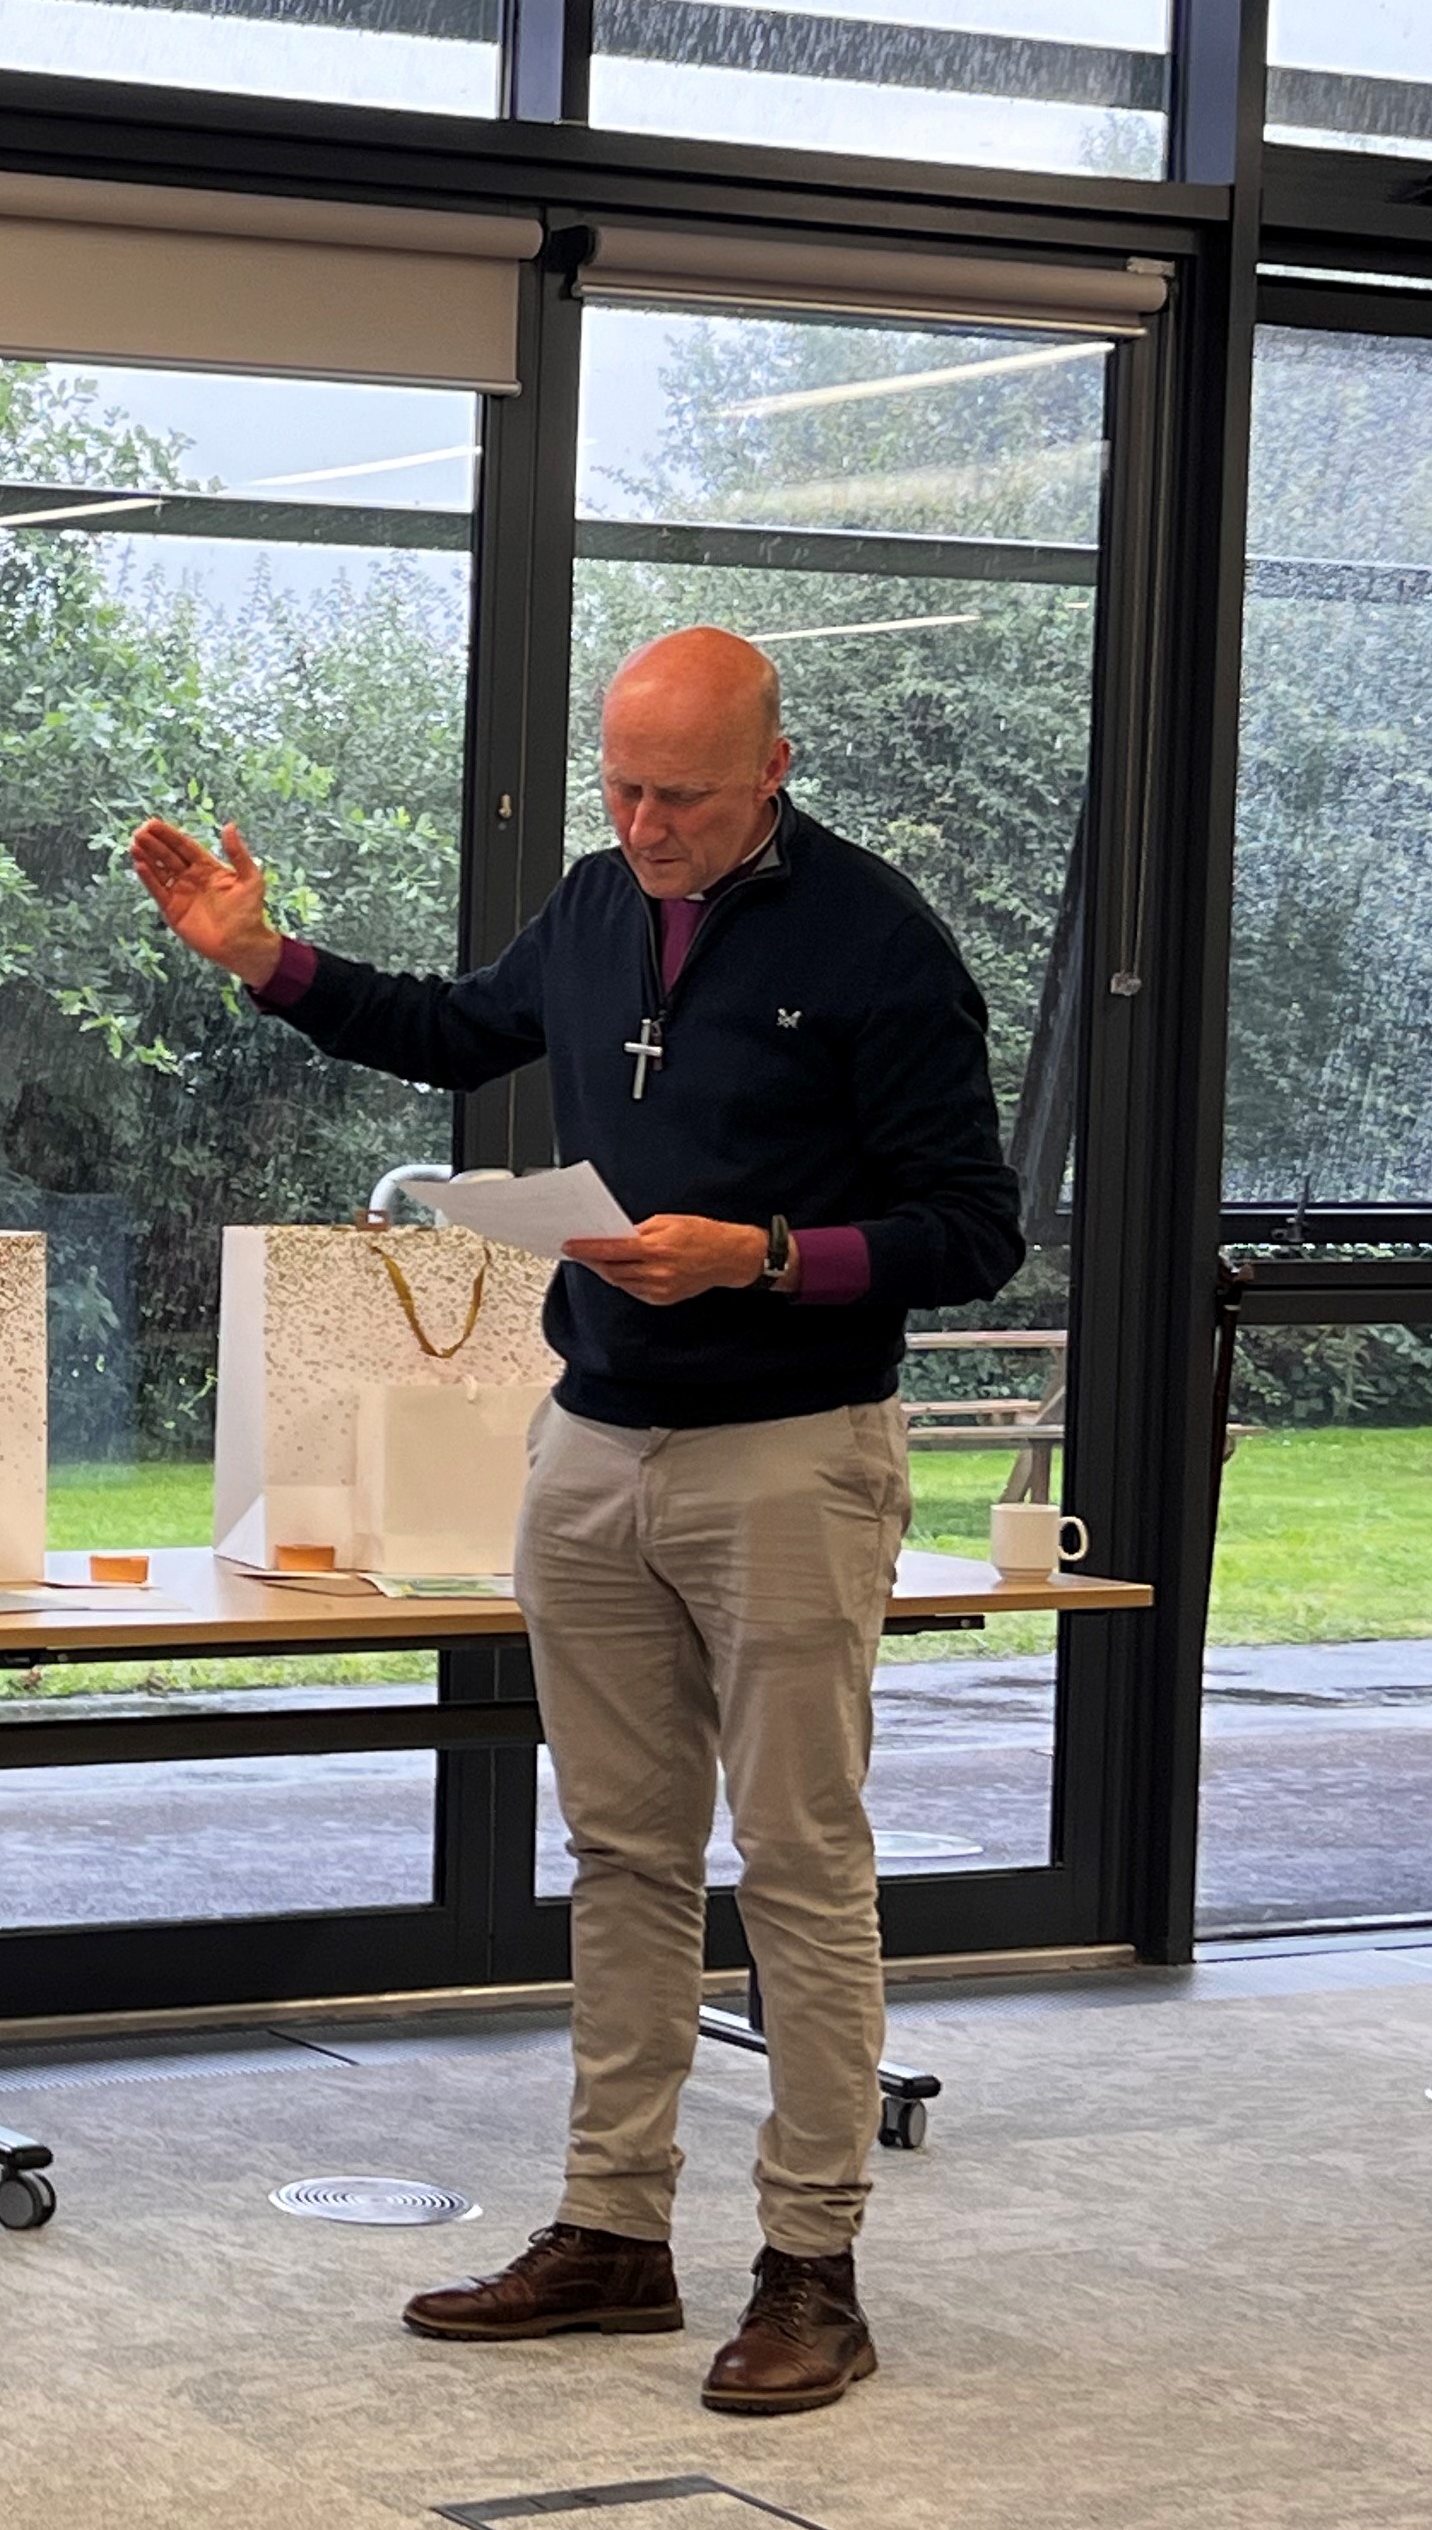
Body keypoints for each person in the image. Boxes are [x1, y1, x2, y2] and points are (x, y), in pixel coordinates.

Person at [132, 626, 1025, 2417]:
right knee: (623, 1860)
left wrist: (766, 1256)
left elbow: (975, 1227)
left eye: (681, 793)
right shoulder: (598, 898)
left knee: (798, 1867)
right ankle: (614, 2232)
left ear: (775, 766)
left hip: (791, 1447)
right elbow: (458, 1027)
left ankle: (811, 2267)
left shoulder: (881, 941)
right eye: (620, 785)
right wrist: (265, 961)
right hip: (597, 1439)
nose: (644, 822)